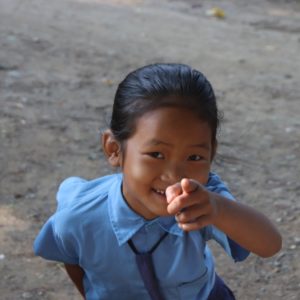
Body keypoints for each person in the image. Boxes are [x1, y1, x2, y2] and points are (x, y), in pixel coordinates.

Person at [33, 63, 282, 300]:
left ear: (211, 154)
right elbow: (70, 255)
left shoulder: (201, 201)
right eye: (156, 154)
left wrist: (218, 208)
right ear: (114, 150)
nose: (174, 175)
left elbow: (269, 245)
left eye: (194, 157)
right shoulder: (80, 216)